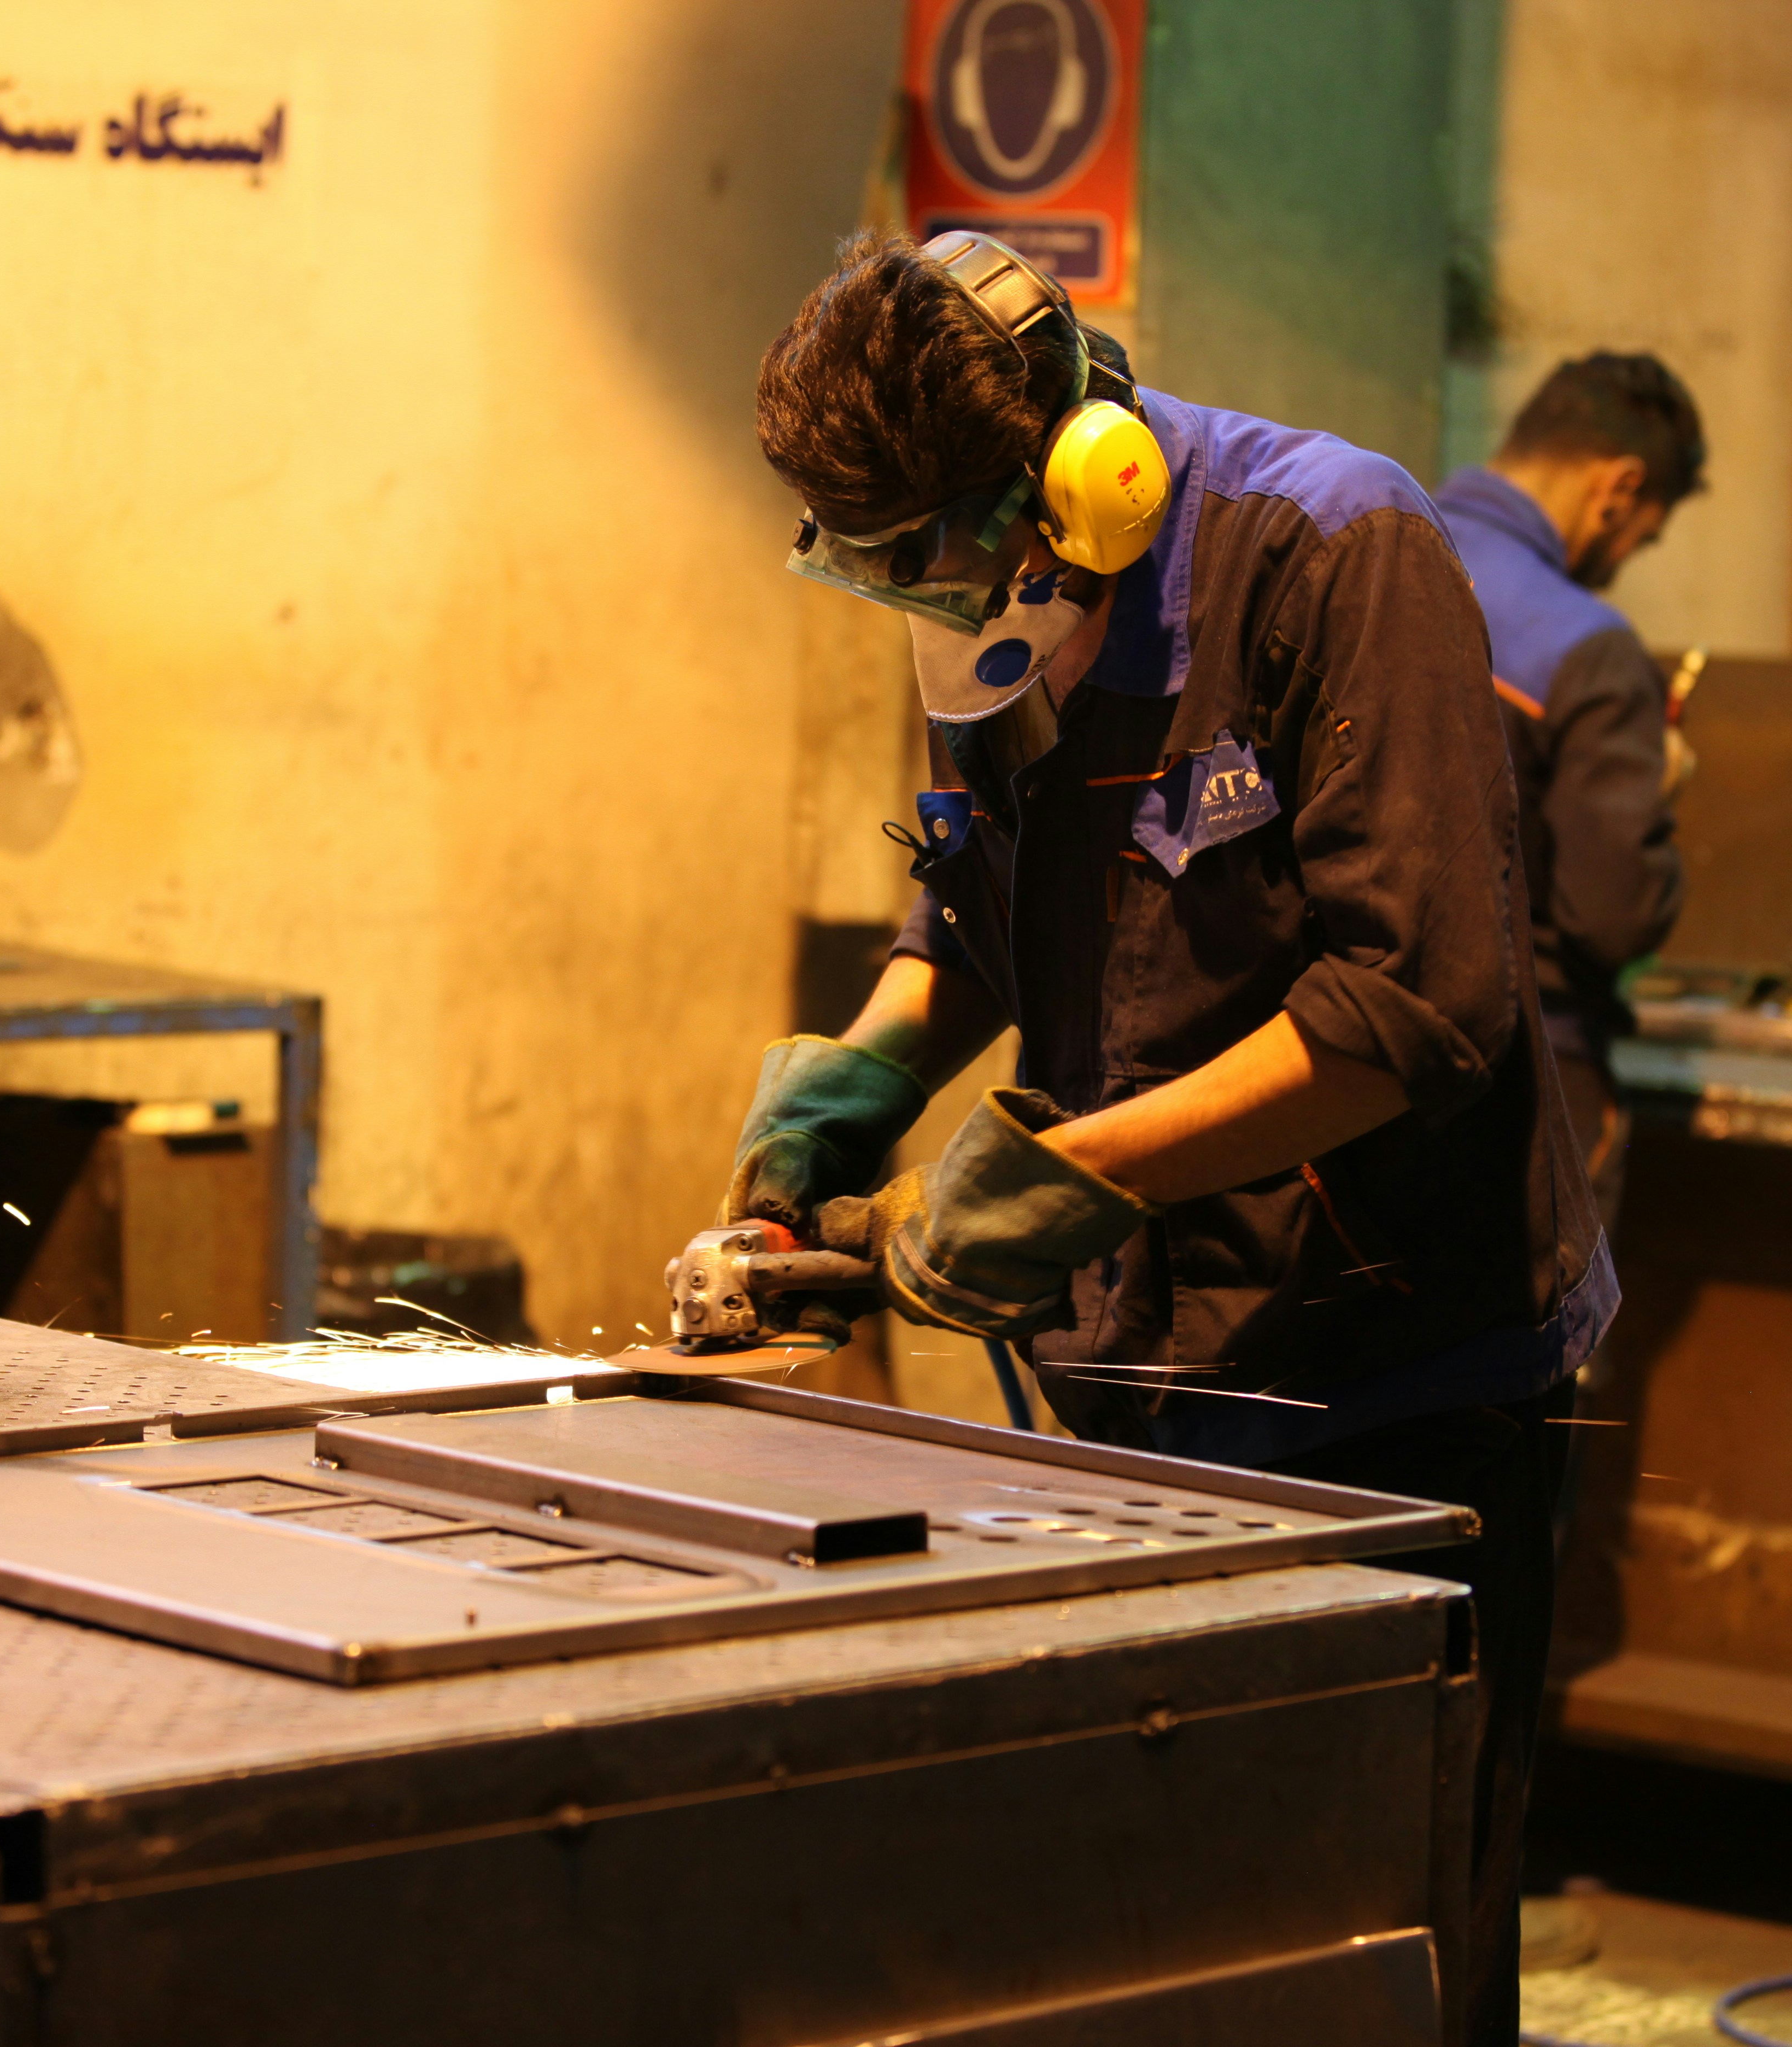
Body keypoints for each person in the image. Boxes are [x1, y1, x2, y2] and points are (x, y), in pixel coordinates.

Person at [716, 229, 1612, 2047]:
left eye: (934, 553)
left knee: (1382, 1962)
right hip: (1130, 1394)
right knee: (1146, 1958)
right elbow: (971, 907)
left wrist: (1078, 1172)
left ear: (1075, 477)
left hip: (1385, 1400)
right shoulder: (997, 615)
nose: (922, 602)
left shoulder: (1332, 553)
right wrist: (859, 1081)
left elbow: (1414, 1005)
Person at [1432, 356, 1705, 1226]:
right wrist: (1653, 788)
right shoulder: (1587, 649)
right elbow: (1610, 915)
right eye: (1642, 538)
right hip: (1524, 1079)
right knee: (1540, 1357)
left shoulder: (1357, 552)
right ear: (1618, 488)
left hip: (1334, 1068)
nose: (1622, 563)